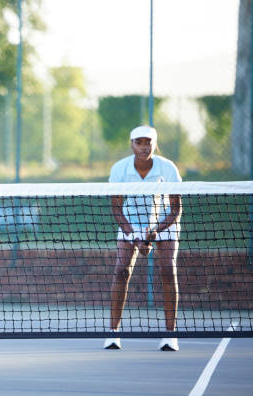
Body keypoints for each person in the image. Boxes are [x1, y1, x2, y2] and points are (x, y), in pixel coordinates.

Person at [104, 125, 182, 352]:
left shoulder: (168, 168)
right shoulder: (119, 169)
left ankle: (170, 335)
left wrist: (155, 231)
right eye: (139, 142)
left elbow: (176, 209)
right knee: (121, 271)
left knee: (168, 270)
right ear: (132, 144)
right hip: (130, 221)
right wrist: (133, 234)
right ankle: (113, 334)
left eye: (148, 142)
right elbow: (117, 209)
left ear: (154, 144)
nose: (144, 146)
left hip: (164, 222)